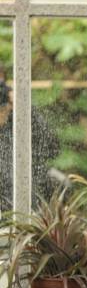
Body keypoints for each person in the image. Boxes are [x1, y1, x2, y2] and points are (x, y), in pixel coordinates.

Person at [0, 76, 60, 210]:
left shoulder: (18, 123)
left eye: (3, 110)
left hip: (26, 208)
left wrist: (25, 108)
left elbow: (53, 148)